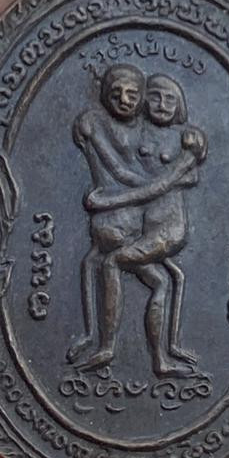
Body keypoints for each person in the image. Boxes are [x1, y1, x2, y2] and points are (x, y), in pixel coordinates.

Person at [70, 69, 207, 377]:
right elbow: (121, 163)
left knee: (114, 263)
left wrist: (108, 201)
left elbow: (166, 184)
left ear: (180, 104)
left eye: (169, 99)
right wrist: (91, 127)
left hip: (168, 228)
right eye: (154, 97)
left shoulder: (186, 141)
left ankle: (109, 348)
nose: (161, 105)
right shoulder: (141, 132)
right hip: (142, 224)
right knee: (162, 279)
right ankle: (159, 355)